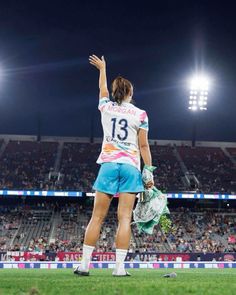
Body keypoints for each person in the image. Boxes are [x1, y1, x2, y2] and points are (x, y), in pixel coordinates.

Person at [74, 55, 153, 277]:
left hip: (109, 164)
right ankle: (119, 269)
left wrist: (102, 69)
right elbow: (144, 146)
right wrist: (148, 172)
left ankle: (84, 266)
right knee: (125, 218)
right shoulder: (141, 114)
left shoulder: (106, 107)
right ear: (130, 93)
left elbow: (102, 90)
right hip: (130, 167)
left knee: (96, 217)